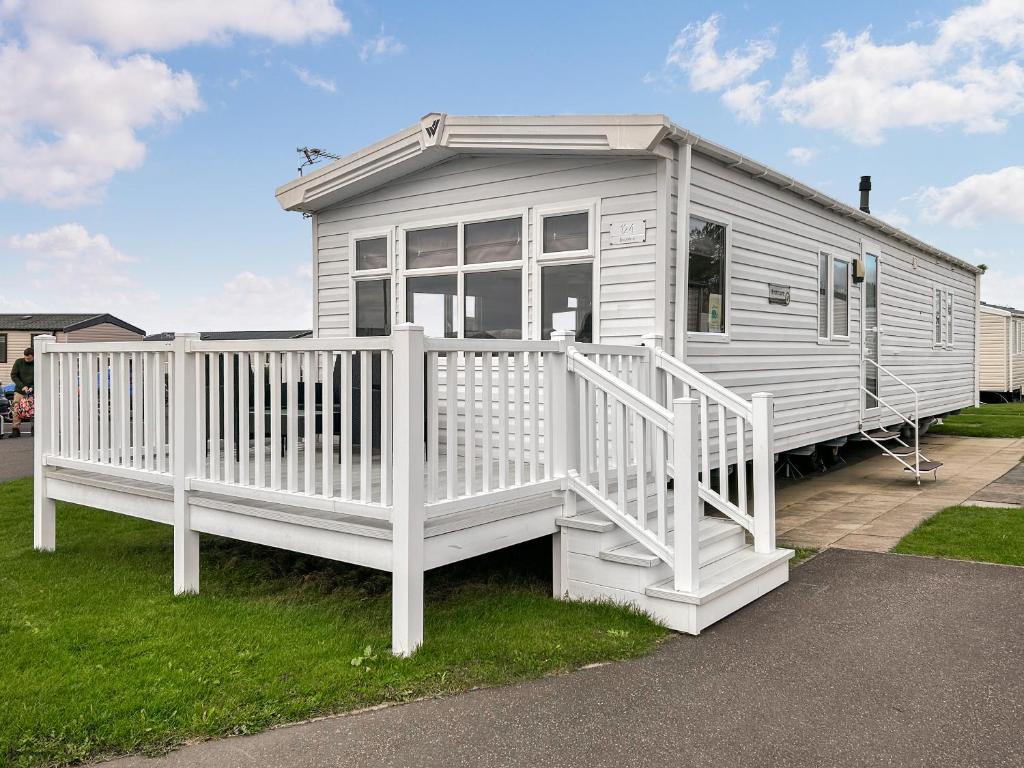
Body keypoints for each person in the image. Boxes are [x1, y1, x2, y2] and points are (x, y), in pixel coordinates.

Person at [10, 346, 33, 437]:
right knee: (16, 408)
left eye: (29, 358)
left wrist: (32, 387)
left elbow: (40, 376)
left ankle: (34, 429)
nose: (27, 359)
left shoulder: (37, 363)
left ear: (33, 356)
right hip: (20, 390)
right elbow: (14, 375)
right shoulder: (18, 362)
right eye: (25, 357)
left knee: (32, 410)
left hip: (32, 391)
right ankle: (16, 430)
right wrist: (22, 386)